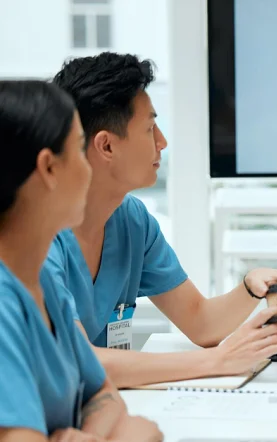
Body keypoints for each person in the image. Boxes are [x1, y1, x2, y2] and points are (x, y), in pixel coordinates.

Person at [46, 52, 277, 388]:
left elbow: (200, 323)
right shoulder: (35, 234)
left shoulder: (132, 221)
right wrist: (217, 361)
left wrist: (251, 287)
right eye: (149, 128)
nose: (162, 142)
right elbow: (77, 360)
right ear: (106, 146)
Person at [0, 80, 161, 441]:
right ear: (49, 169)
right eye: (77, 149)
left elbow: (104, 395)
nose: (89, 168)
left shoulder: (41, 284)